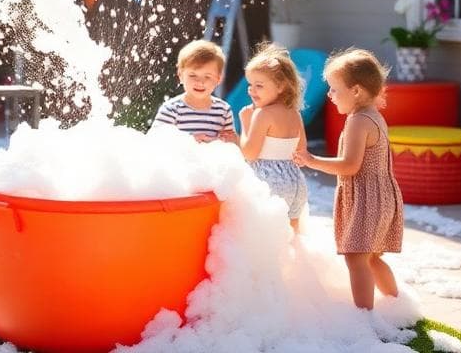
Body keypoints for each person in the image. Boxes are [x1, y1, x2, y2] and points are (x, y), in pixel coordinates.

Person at [294, 48, 403, 310]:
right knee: (372, 257)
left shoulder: (359, 121)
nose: (329, 96)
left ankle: (364, 317)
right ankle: (397, 305)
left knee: (356, 259)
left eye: (334, 89)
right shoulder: (371, 116)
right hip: (378, 195)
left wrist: (312, 160)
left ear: (356, 91)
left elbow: (350, 166)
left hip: (368, 199)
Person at [238, 42, 308, 231]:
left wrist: (245, 124)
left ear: (281, 86)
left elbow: (250, 154)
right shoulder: (294, 113)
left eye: (259, 85)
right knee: (291, 236)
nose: (252, 90)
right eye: (250, 85)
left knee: (262, 235)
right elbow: (302, 151)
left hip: (269, 182)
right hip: (295, 181)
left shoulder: (262, 115)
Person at [152, 40, 238, 144]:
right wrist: (189, 141)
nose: (200, 82)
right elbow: (155, 142)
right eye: (193, 75)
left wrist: (231, 140)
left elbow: (232, 147)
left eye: (208, 76)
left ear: (218, 79)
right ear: (180, 75)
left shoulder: (223, 111)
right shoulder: (171, 109)